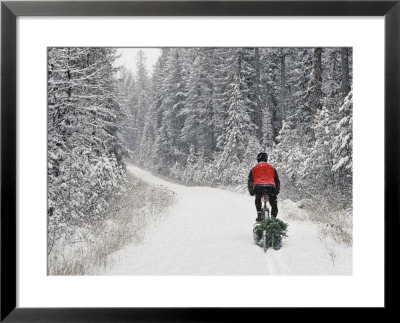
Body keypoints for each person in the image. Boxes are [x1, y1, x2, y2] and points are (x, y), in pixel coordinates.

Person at [248, 152, 280, 221]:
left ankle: (259, 214)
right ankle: (273, 218)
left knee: (258, 199)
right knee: (274, 204)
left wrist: (251, 191)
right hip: (270, 188)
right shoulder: (272, 168)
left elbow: (250, 181)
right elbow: (277, 181)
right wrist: (277, 191)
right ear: (266, 159)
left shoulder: (254, 168)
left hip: (258, 188)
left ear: (258, 159)